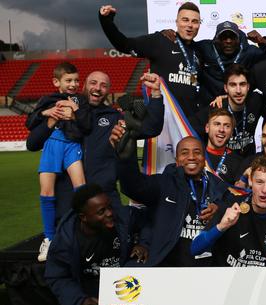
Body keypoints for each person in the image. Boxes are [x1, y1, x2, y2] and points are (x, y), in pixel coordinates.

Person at [26, 72, 165, 220]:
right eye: (93, 83)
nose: (98, 88)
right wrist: (52, 119)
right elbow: (32, 144)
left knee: (116, 240)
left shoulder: (114, 117)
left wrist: (156, 94)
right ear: (84, 85)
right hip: (67, 203)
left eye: (104, 85)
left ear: (108, 90)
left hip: (105, 200)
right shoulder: (62, 108)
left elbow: (151, 128)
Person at [44, 184, 147, 305]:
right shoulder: (65, 240)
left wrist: (143, 243)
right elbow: (57, 276)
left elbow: (150, 221)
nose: (109, 213)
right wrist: (80, 301)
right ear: (84, 217)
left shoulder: (122, 216)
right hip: (88, 286)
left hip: (121, 281)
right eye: (101, 211)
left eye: (109, 207)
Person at [112, 134, 226, 267]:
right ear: (177, 160)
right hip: (169, 269)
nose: (191, 157)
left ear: (204, 159)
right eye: (185, 153)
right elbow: (134, 187)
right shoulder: (163, 184)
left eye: (197, 152)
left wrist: (220, 209)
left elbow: (236, 206)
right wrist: (125, 159)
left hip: (209, 270)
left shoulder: (218, 187)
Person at [99, 3, 204, 136]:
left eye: (195, 22)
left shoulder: (200, 52)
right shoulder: (161, 41)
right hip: (162, 126)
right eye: (185, 20)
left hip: (189, 126)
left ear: (199, 25)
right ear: (177, 22)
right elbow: (124, 44)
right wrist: (106, 21)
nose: (190, 25)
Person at [26, 61, 91, 262]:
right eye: (68, 80)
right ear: (57, 82)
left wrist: (75, 111)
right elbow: (30, 122)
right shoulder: (48, 99)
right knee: (46, 191)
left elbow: (86, 125)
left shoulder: (81, 100)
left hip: (72, 145)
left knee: (81, 188)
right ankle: (49, 239)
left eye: (76, 80)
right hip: (52, 144)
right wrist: (46, 113)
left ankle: (83, 235)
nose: (73, 84)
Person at [191, 156, 266, 266]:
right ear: (250, 181)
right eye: (259, 182)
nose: (265, 190)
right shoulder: (231, 205)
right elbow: (195, 248)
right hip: (225, 280)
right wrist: (222, 227)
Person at [193, 20, 266, 104]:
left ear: (238, 38)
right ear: (216, 39)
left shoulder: (249, 52)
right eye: (224, 37)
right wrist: (177, 36)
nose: (228, 41)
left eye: (232, 37)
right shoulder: (206, 48)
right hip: (210, 105)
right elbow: (185, 45)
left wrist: (264, 41)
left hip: (239, 105)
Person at [210, 64, 263, 157]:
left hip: (249, 162)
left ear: (248, 87)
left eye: (242, 84)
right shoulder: (217, 107)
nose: (238, 90)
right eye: (233, 85)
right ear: (226, 88)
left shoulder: (256, 101)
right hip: (224, 163)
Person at [204, 108, 244, 185]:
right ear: (207, 128)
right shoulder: (196, 155)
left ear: (232, 132)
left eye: (227, 126)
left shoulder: (238, 162)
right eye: (217, 124)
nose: (221, 129)